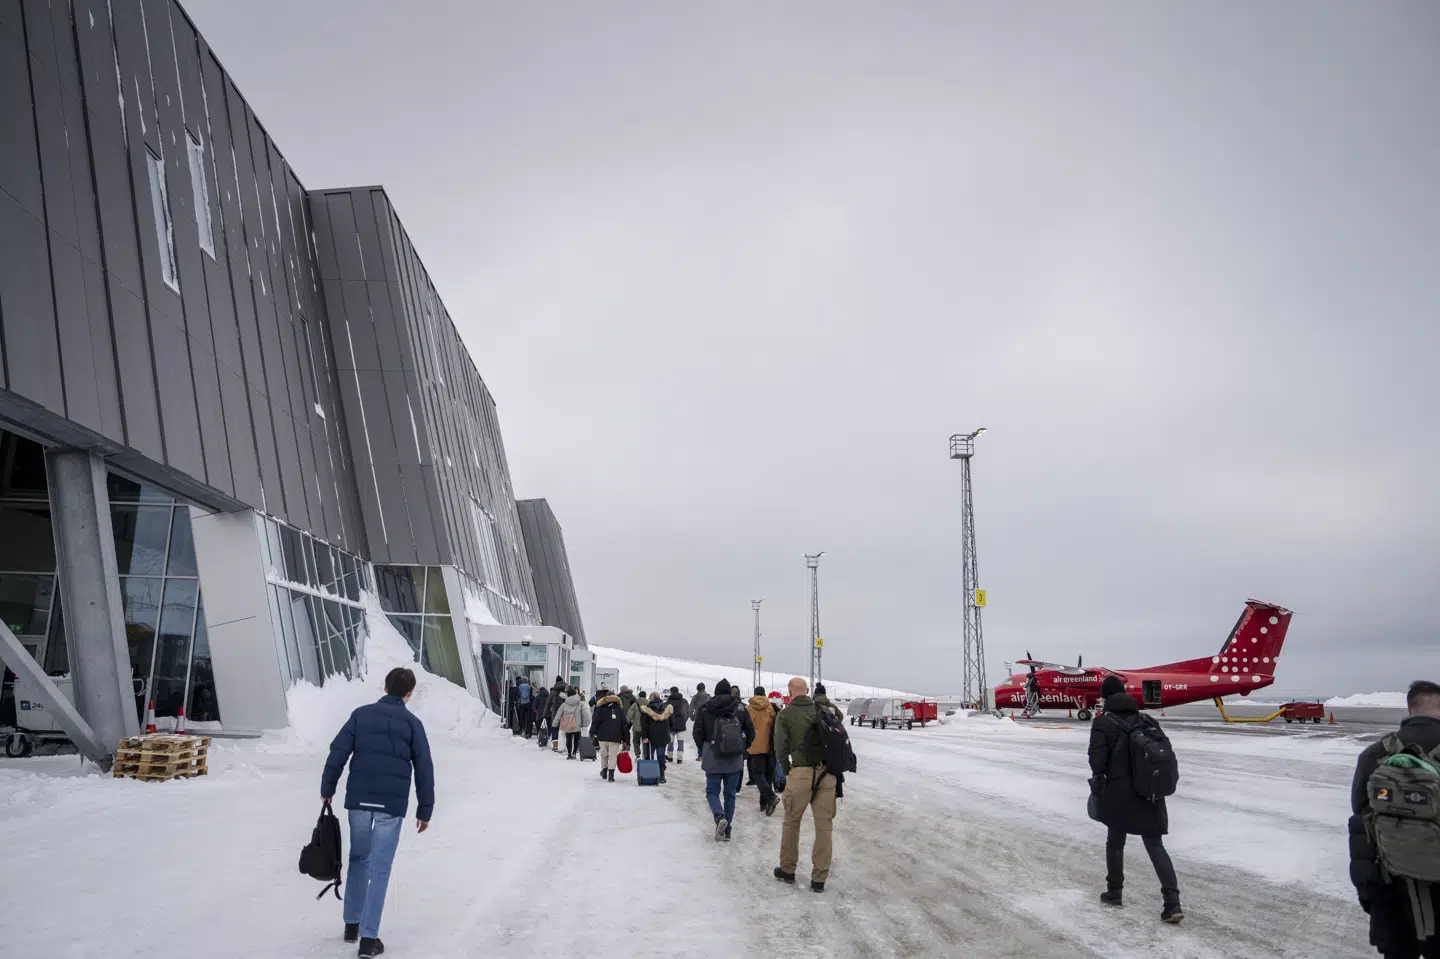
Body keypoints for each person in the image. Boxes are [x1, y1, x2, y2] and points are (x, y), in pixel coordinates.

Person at [321, 667, 434, 958]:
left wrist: (328, 787)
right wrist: (425, 809)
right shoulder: (412, 723)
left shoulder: (360, 715)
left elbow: (338, 752)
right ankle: (368, 940)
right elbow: (424, 768)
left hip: (359, 800)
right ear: (409, 694)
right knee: (380, 868)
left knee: (358, 859)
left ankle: (351, 924)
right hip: (390, 806)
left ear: (385, 687)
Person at [1349, 680, 1440, 959]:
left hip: (1390, 893)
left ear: (1411, 709)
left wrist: (1371, 896)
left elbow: (1360, 820)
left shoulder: (1375, 755)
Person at [1088, 674, 1182, 922]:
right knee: (1155, 845)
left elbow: (1097, 763)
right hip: (1150, 792)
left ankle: (1114, 893)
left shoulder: (1102, 723)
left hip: (1118, 795)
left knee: (1115, 843)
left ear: (1105, 697)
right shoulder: (1146, 719)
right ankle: (1172, 903)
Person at [773, 677, 836, 893]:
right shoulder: (822, 710)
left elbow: (780, 747)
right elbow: (839, 718)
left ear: (789, 692)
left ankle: (787, 869)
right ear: (807, 691)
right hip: (827, 774)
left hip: (800, 772)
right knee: (824, 827)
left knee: (791, 822)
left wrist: (786, 769)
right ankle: (819, 878)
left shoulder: (785, 715)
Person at [693, 679, 755, 841]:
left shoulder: (706, 708)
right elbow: (751, 732)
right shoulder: (740, 708)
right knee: (730, 795)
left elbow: (697, 732)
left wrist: (703, 748)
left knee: (712, 792)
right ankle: (727, 830)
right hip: (734, 757)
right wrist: (742, 747)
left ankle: (719, 817)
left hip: (712, 755)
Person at [746, 685, 781, 816]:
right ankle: (763, 803)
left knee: (758, 775)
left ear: (754, 694)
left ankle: (771, 798)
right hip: (771, 747)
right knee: (768, 776)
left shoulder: (748, 708)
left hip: (754, 747)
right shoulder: (772, 707)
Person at [590, 688, 630, 782]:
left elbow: (595, 721)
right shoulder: (620, 710)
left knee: (604, 755)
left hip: (602, 736)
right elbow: (624, 726)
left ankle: (604, 772)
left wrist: (592, 732)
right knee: (612, 755)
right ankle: (611, 776)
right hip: (615, 737)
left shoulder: (600, 709)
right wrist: (626, 740)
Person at [639, 690, 674, 783]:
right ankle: (662, 776)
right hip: (663, 736)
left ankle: (649, 775)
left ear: (651, 698)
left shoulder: (646, 710)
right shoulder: (667, 709)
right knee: (661, 755)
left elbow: (644, 725)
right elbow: (671, 723)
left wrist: (644, 736)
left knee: (649, 756)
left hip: (651, 737)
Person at [555, 687, 591, 760]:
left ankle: (569, 754)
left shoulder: (564, 704)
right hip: (577, 724)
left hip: (568, 724)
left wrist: (555, 723)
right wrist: (585, 724)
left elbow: (558, 714)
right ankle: (574, 753)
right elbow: (585, 714)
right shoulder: (580, 703)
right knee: (576, 739)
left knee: (568, 739)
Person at [666, 686, 691, 763]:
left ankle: (670, 757)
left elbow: (666, 714)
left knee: (670, 742)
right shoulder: (684, 701)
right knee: (680, 742)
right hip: (681, 725)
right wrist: (684, 720)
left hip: (671, 726)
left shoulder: (668, 701)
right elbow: (688, 712)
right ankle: (679, 759)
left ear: (671, 692)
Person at [627, 690, 647, 757]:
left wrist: (626, 723)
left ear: (639, 696)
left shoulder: (635, 705)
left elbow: (629, 715)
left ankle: (638, 754)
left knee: (636, 741)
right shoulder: (649, 704)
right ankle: (645, 755)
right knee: (645, 741)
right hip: (646, 728)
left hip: (636, 728)